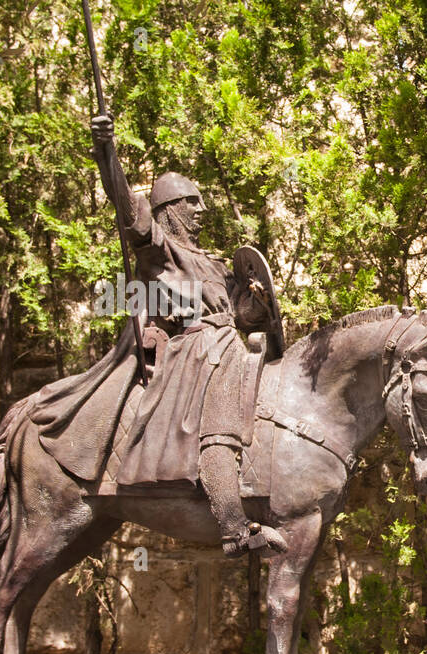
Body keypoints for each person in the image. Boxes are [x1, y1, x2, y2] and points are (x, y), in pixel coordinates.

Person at [86, 113, 287, 555]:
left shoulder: (213, 264)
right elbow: (126, 210)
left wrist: (257, 303)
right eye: (192, 203)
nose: (203, 211)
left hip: (229, 343)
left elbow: (246, 316)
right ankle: (235, 529)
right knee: (220, 426)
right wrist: (108, 155)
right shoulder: (162, 251)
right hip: (198, 350)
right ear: (171, 211)